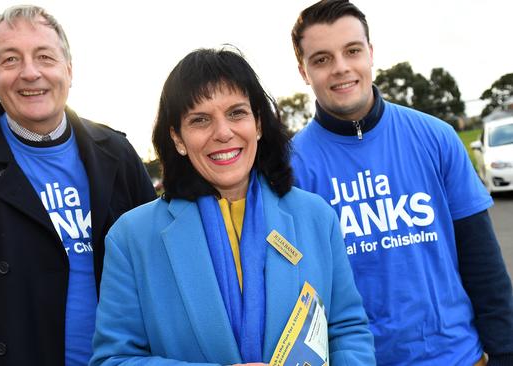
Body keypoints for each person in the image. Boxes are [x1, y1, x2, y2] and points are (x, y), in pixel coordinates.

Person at [0, 5, 156, 366]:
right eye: (10, 60)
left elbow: (160, 271)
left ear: (68, 69)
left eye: (44, 56)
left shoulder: (118, 155)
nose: (30, 72)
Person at [90, 48, 375, 366]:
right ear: (178, 139)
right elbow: (113, 359)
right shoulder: (132, 237)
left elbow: (348, 333)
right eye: (200, 120)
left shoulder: (317, 217)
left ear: (259, 124)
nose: (223, 133)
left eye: (237, 113)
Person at [289, 1, 513, 365]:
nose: (341, 67)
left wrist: (505, 352)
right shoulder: (289, 167)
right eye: (322, 59)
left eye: (352, 51)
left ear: (371, 54)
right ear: (304, 71)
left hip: (458, 356)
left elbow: (483, 262)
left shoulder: (436, 137)